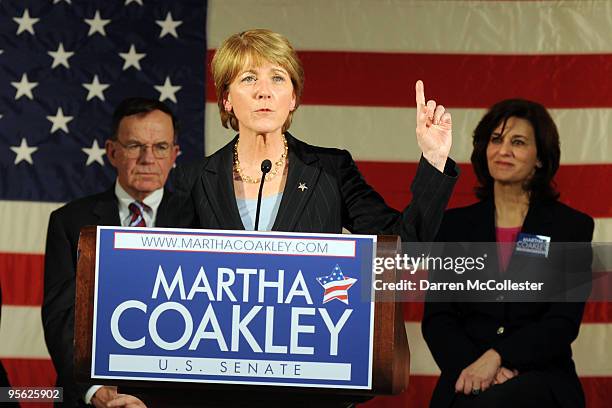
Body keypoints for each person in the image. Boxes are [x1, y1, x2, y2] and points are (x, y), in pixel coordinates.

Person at [175, 29, 458, 241]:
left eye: (277, 78)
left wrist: (434, 159)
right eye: (249, 78)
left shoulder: (331, 171)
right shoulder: (194, 180)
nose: (264, 91)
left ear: (293, 99)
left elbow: (404, 247)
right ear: (226, 99)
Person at [422, 99, 594, 408]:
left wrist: (498, 358)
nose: (503, 151)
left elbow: (562, 322)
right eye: (496, 140)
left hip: (541, 380)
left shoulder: (572, 228)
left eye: (518, 142)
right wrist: (479, 368)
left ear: (540, 158)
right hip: (466, 374)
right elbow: (438, 319)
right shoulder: (453, 227)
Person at [42, 97, 183, 408]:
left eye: (160, 147)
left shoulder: (199, 221)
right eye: (135, 146)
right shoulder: (70, 222)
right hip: (90, 397)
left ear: (174, 154)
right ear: (112, 151)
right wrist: (94, 390)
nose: (148, 158)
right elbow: (61, 317)